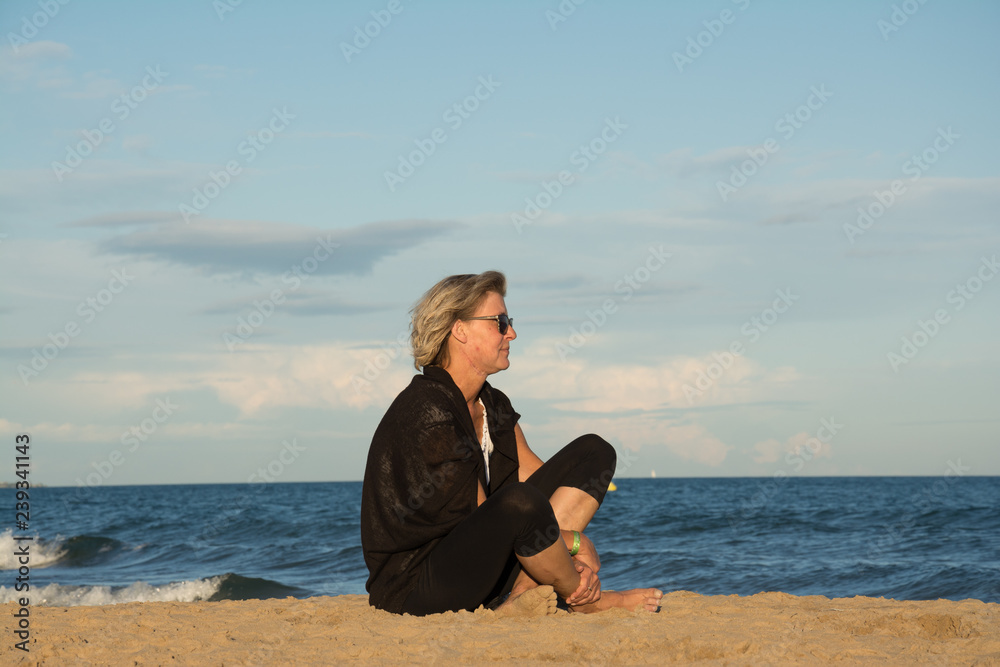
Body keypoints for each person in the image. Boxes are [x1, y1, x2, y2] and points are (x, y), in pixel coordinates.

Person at [360, 271, 662, 616]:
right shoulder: (428, 410)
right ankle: (583, 600)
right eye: (500, 322)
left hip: (482, 568)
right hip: (416, 586)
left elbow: (535, 482)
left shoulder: (492, 404)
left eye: (509, 321)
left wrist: (558, 542)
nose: (512, 333)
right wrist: (575, 544)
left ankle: (521, 597)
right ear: (460, 330)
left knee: (594, 452)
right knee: (518, 503)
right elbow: (483, 512)